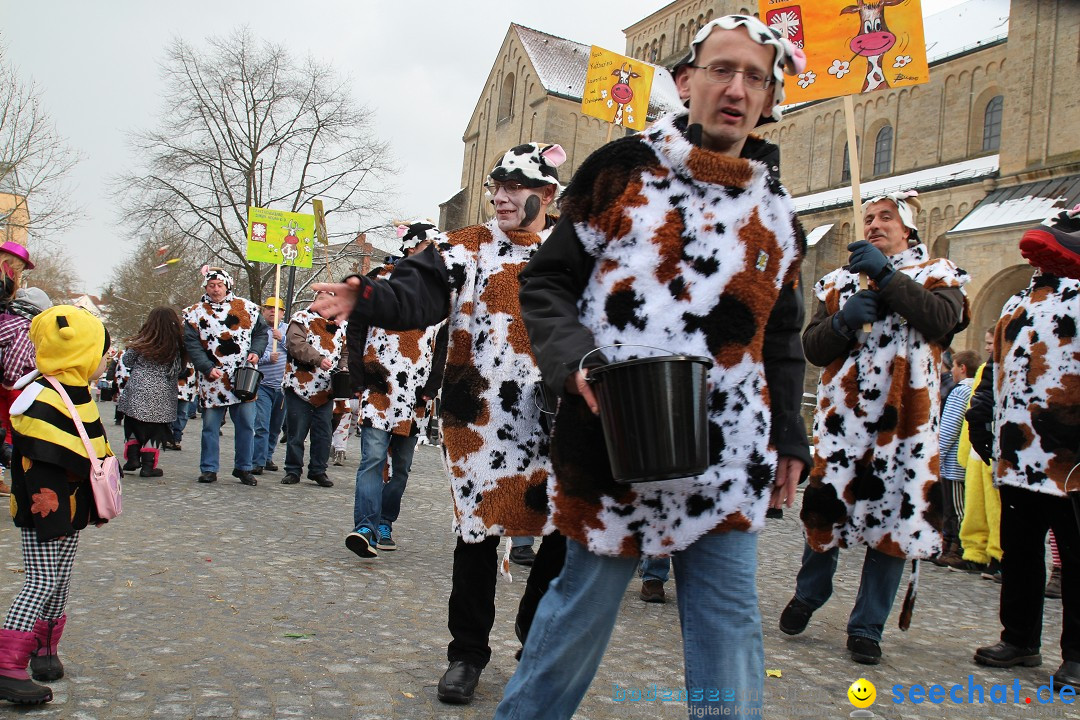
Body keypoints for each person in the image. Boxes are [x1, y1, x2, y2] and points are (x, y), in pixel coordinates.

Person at [492, 16, 810, 719]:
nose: (736, 87)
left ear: (770, 95)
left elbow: (782, 337)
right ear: (687, 80)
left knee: (730, 629)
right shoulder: (619, 168)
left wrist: (791, 435)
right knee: (574, 619)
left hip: (727, 457)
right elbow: (545, 283)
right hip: (614, 437)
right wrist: (575, 361)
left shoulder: (782, 212)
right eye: (722, 69)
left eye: (754, 76)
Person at [313, 141, 570, 705]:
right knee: (476, 536)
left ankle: (537, 639)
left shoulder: (572, 251)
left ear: (547, 195)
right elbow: (415, 293)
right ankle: (467, 654)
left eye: (516, 187)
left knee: (559, 535)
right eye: (496, 185)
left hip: (558, 420)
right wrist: (368, 297)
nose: (501, 196)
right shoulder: (461, 249)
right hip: (478, 420)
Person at [780, 188, 970, 665]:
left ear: (908, 228)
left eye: (885, 217)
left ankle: (867, 626)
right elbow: (813, 348)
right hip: (844, 426)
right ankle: (809, 593)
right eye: (868, 218)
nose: (874, 225)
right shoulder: (839, 282)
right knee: (825, 509)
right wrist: (842, 322)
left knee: (893, 523)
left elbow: (942, 320)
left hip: (903, 429)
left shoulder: (937, 276)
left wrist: (886, 277)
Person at [972, 205, 1080, 689]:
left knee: (1077, 557)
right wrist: (982, 405)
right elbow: (997, 363)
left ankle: (1077, 655)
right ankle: (1020, 638)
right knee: (1020, 551)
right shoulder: (1017, 300)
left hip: (1070, 456)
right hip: (1019, 451)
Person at [0, 305, 112, 704]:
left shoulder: (75, 392)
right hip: (44, 508)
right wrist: (53, 515)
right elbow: (43, 455)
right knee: (42, 581)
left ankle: (44, 652)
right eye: (100, 351)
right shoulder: (42, 395)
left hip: (70, 507)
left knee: (60, 581)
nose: (104, 361)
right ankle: (6, 665)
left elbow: (90, 445)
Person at [347, 220, 448, 555]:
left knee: (402, 466)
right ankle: (365, 526)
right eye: (428, 247)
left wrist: (432, 386)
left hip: (416, 392)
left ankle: (385, 519)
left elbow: (444, 343)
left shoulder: (443, 292)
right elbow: (357, 330)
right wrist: (359, 376)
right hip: (378, 384)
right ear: (411, 248)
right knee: (374, 457)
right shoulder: (379, 281)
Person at [182, 268, 268, 486]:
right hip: (213, 377)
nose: (215, 289)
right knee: (210, 425)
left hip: (243, 375)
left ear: (227, 286)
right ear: (206, 287)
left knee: (247, 424)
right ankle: (209, 468)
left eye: (219, 285)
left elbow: (261, 333)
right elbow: (192, 343)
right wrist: (205, 366)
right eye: (211, 285)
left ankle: (244, 467)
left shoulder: (246, 308)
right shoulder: (194, 312)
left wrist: (256, 351)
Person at [279, 291, 347, 487]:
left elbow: (345, 351)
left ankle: (318, 470)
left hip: (326, 389)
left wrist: (344, 367)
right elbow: (295, 344)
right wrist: (317, 359)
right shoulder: (301, 318)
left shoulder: (341, 326)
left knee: (323, 432)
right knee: (297, 431)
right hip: (299, 384)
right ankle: (292, 469)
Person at [117, 308, 186, 478]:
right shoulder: (177, 344)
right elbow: (179, 369)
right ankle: (148, 466)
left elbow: (127, 360)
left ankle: (132, 459)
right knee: (155, 428)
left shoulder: (143, 340)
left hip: (138, 387)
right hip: (162, 390)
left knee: (133, 422)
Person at [956, 330, 1002, 580]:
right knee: (975, 506)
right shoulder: (986, 369)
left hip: (997, 446)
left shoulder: (999, 367)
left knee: (996, 508)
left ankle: (998, 554)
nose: (987, 348)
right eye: (985, 343)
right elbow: (974, 409)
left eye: (990, 343)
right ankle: (975, 552)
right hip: (977, 448)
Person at [0, 288, 52, 495]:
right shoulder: (26, 326)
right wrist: (11, 381)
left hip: (4, 381)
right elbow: (17, 354)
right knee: (13, 431)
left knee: (3, 428)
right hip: (14, 384)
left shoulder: (7, 320)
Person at [934, 349, 980, 569]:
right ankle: (950, 547)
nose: (951, 370)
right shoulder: (968, 389)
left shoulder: (961, 391)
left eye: (953, 366)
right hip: (955, 461)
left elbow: (950, 428)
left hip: (953, 463)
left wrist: (938, 455)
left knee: (956, 509)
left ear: (962, 368)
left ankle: (956, 548)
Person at [252, 297, 287, 475]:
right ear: (263, 311)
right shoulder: (258, 329)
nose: (273, 312)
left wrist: (282, 339)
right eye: (269, 309)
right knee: (262, 424)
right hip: (262, 385)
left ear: (282, 313)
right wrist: (267, 358)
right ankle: (257, 460)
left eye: (277, 309)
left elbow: (297, 349)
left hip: (282, 387)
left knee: (275, 426)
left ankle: (267, 456)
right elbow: (253, 352)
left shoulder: (287, 329)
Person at [166, 361, 196, 451]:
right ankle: (169, 437)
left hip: (187, 386)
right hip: (171, 384)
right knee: (169, 412)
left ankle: (176, 438)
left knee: (182, 413)